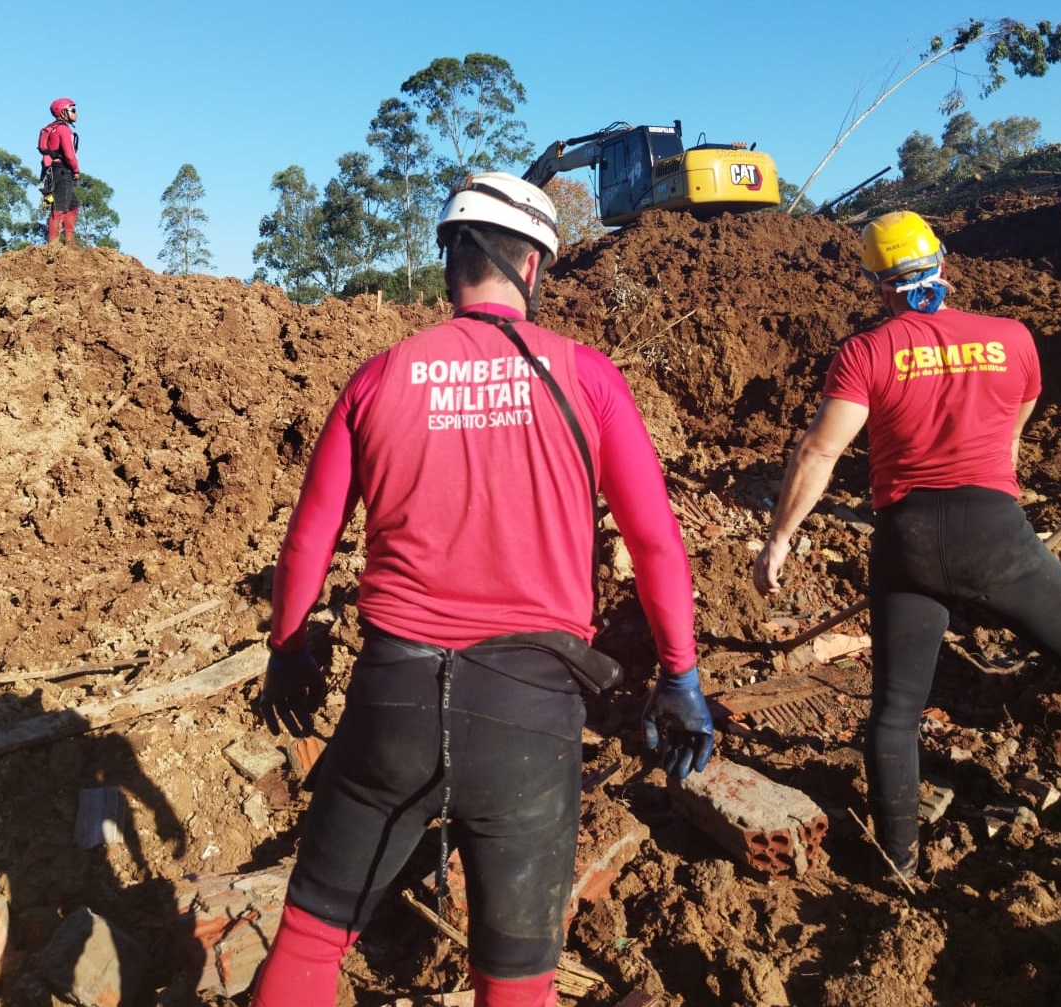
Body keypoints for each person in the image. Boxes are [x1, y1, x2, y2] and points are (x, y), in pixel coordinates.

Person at [249, 171, 714, 1007]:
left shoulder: (380, 376)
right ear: (530, 265)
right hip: (529, 719)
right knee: (515, 979)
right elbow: (654, 542)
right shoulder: (587, 376)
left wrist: (288, 648)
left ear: (450, 263)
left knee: (313, 939)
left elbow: (308, 540)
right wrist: (679, 673)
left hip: (392, 702)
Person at [752, 210, 1061, 884]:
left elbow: (819, 453)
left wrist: (778, 540)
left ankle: (898, 865)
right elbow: (1018, 422)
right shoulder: (1012, 338)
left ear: (876, 283)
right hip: (997, 537)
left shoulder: (867, 352)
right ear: (942, 263)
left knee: (896, 712)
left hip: (909, 543)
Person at [39, 97, 80, 245]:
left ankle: (70, 242)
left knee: (73, 206)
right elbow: (69, 155)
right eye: (72, 110)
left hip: (52, 171)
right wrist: (76, 170)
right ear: (63, 112)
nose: (76, 113)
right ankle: (54, 245)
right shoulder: (64, 130)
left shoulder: (52, 128)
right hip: (63, 171)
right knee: (60, 208)